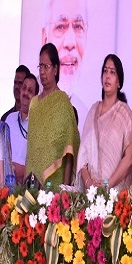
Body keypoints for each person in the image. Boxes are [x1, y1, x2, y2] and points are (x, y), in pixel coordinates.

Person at [77, 54, 132, 190]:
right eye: (105, 71)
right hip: (91, 193)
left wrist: (108, 184)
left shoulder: (125, 114)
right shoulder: (93, 111)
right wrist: (89, 183)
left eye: (112, 72)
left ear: (119, 82)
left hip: (115, 193)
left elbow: (129, 158)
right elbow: (83, 156)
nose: (107, 76)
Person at [26, 43, 80, 187]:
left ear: (55, 69)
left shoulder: (62, 102)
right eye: (40, 66)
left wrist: (65, 189)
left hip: (56, 184)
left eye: (46, 66)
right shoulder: (34, 103)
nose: (42, 72)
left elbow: (69, 149)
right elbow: (31, 148)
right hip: (32, 182)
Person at [42, 0, 88, 98]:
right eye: (61, 26)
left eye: (78, 26)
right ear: (45, 38)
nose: (70, 42)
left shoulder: (85, 109)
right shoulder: (33, 102)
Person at [4, 72, 39, 184]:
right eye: (24, 88)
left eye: (30, 90)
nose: (25, 93)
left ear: (36, 97)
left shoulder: (38, 124)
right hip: (6, 182)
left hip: (27, 185)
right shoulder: (9, 119)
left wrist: (24, 171)